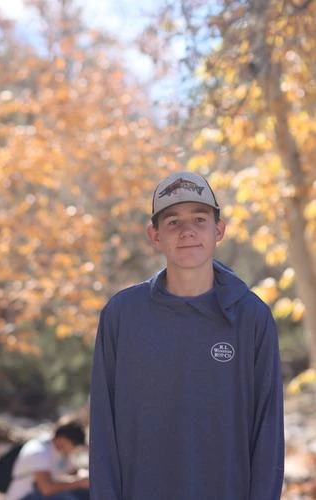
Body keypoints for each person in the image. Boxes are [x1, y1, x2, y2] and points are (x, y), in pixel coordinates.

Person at [89, 171, 285, 500]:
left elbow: (268, 433)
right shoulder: (121, 316)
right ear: (154, 235)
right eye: (173, 222)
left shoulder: (251, 317)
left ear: (218, 230)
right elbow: (103, 432)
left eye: (199, 218)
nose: (187, 231)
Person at [6, 421, 89, 500]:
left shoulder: (59, 452)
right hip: (24, 496)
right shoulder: (39, 451)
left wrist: (83, 476)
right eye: (74, 444)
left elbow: (72, 471)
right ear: (62, 439)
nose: (75, 448)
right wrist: (78, 483)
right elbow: (46, 489)